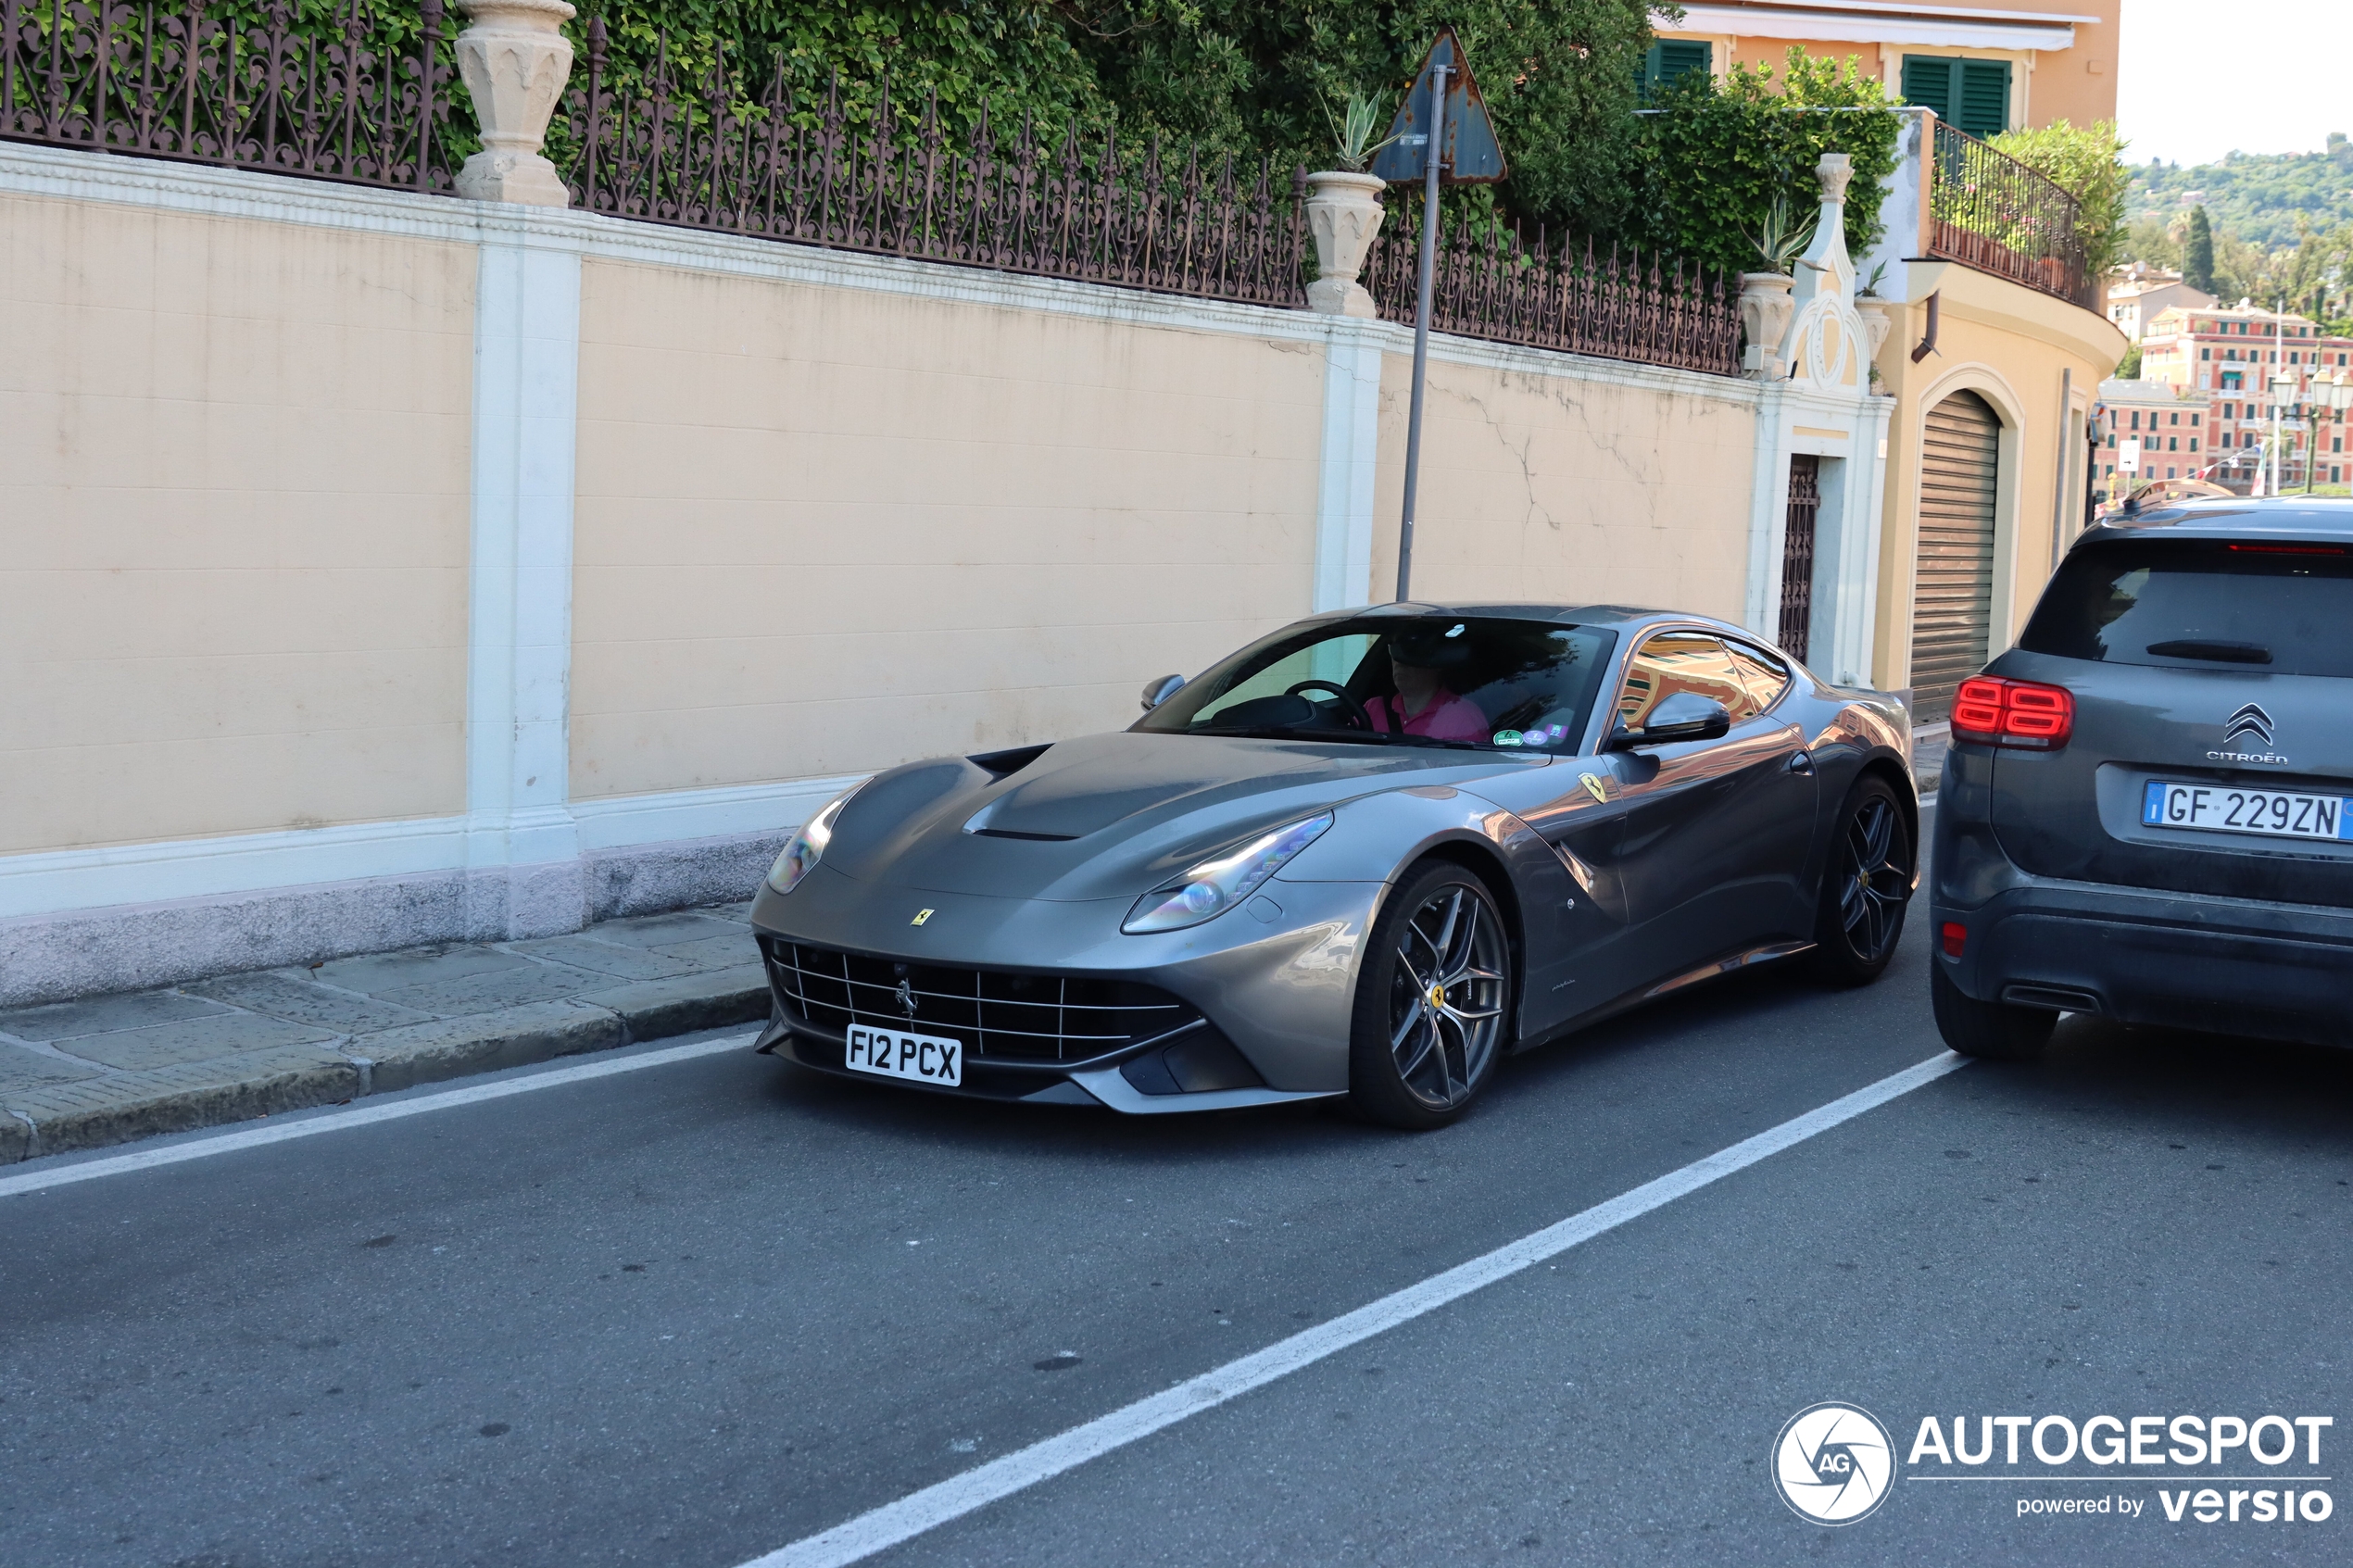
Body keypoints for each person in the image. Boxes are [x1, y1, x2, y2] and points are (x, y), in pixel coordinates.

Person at [1367, 629, 1490, 742]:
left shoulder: (1464, 716)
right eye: (1395, 651)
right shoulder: (1372, 709)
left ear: (1438, 662)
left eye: (1411, 652)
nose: (1400, 662)